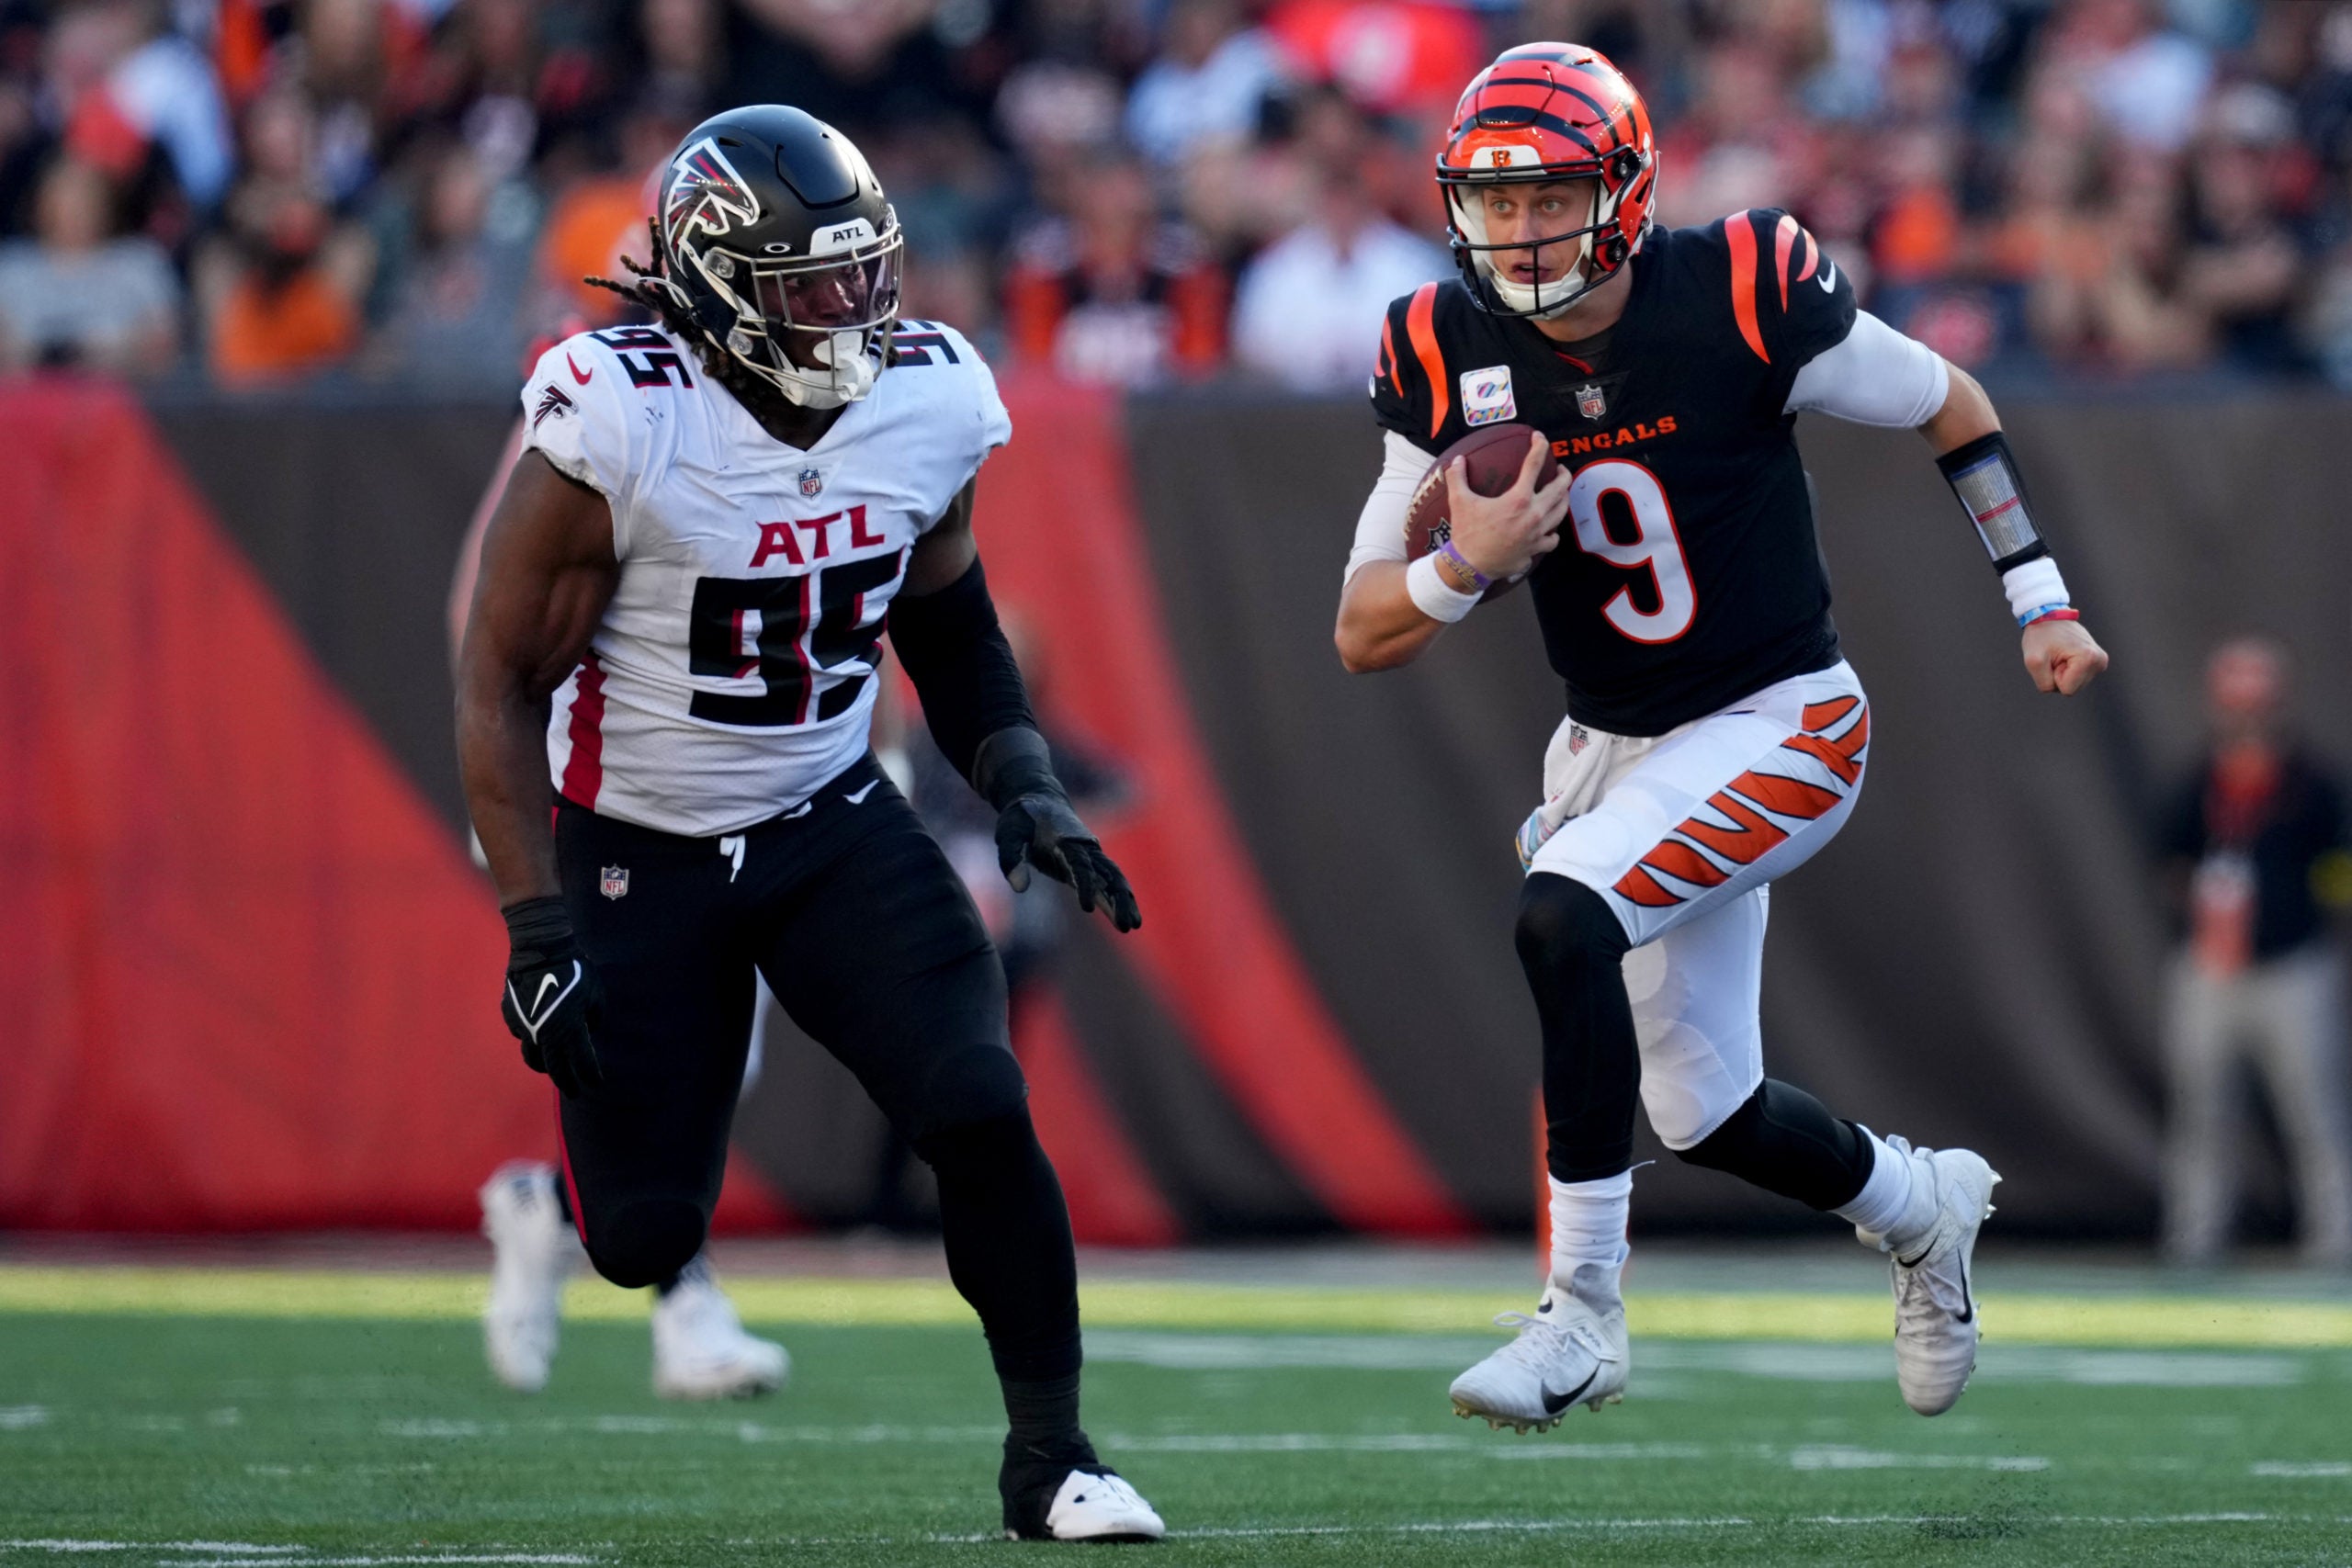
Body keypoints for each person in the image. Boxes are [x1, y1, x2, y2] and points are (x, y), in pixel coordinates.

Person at [1333, 44, 2110, 1429]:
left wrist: (2038, 598)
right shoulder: (1438, 345)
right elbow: (1361, 625)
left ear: (1625, 190)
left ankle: (1582, 1314)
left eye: (1550, 196)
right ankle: (1924, 1207)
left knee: (1563, 914)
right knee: (1707, 1114)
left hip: (1782, 719)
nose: (1517, 232)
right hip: (1613, 748)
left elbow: (1953, 404)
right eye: (1493, 203)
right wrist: (1467, 563)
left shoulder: (1744, 289)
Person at [454, 105, 1163, 1541]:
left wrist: (1022, 778)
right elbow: (498, 679)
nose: (851, 309)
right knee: (643, 1231)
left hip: (828, 814)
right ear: (717, 289)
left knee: (975, 1099)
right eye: (809, 285)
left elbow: (950, 620)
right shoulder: (619, 414)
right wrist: (536, 924)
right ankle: (555, 1200)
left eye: (862, 272)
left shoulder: (928, 394)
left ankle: (1055, 1458)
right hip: (636, 840)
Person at [452, 400, 792, 1404]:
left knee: (728, 1054)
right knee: (653, 1051)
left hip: (753, 791)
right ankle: (684, 1309)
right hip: (613, 798)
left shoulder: (785, 411)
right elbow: (485, 619)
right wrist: (505, 794)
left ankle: (551, 1212)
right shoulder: (603, 412)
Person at [2155, 637, 2352, 1269]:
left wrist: (2298, 908)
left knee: (2314, 1106)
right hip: (2209, 969)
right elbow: (2170, 858)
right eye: (2234, 700)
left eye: (2256, 700)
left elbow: (2337, 866)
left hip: (2293, 966)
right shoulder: (2198, 782)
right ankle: (2195, 1238)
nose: (2246, 713)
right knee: (2201, 1111)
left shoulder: (2313, 785)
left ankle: (2335, 1239)